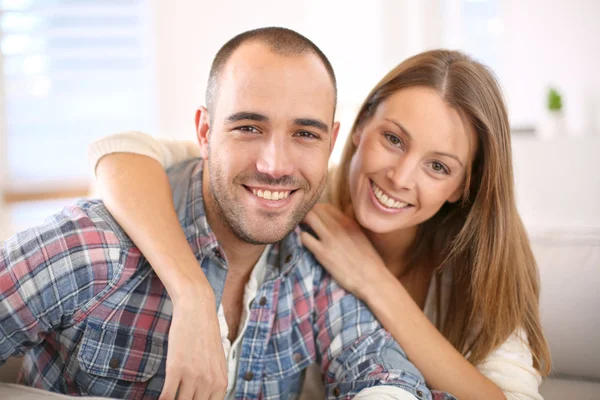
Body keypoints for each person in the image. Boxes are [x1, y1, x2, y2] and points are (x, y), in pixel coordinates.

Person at [0, 27, 447, 400]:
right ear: (205, 132)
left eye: (304, 134)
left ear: (331, 144)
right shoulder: (93, 249)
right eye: (249, 128)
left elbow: (386, 376)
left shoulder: (318, 263)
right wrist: (193, 298)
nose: (275, 165)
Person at [90, 49, 551, 400]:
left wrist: (375, 283)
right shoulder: (291, 188)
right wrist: (192, 294)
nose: (400, 177)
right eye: (393, 139)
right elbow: (122, 154)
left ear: (461, 186)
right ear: (354, 129)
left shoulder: (482, 258)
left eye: (438, 167)